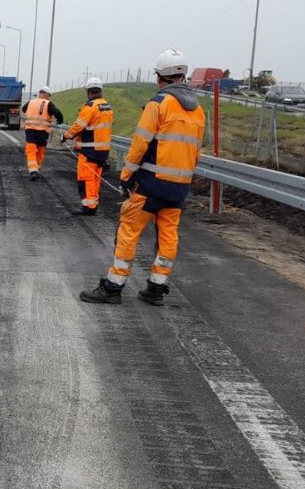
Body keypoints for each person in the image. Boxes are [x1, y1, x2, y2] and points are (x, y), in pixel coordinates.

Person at [81, 49, 205, 306]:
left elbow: (140, 144)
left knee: (128, 230)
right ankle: (156, 289)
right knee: (168, 235)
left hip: (151, 184)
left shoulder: (158, 104)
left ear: (161, 76)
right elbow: (196, 151)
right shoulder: (198, 111)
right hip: (179, 186)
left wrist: (126, 176)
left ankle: (113, 287)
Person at [60, 77, 113, 215]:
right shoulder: (107, 106)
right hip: (103, 150)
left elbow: (79, 126)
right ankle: (93, 203)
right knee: (96, 179)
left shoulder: (90, 107)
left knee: (85, 178)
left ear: (88, 91)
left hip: (89, 150)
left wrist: (66, 136)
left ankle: (89, 207)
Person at [21, 86, 64, 181]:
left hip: (30, 130)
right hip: (43, 132)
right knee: (40, 151)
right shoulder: (48, 104)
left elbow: (24, 109)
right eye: (49, 95)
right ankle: (36, 169)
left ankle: (33, 170)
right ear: (46, 94)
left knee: (31, 151)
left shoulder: (31, 102)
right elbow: (57, 113)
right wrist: (60, 121)